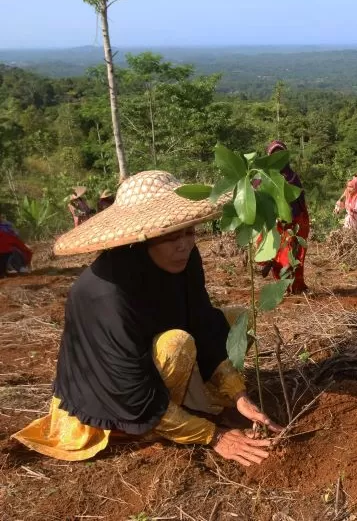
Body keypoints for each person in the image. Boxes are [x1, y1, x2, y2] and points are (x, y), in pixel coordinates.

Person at [12, 171, 283, 466]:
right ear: (144, 239)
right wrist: (214, 436)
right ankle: (149, 429)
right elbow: (131, 391)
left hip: (149, 362)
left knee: (237, 319)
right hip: (112, 397)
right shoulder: (106, 294)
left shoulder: (186, 258)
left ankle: (194, 404)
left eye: (188, 232)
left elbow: (203, 322)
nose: (184, 245)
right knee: (176, 345)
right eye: (170, 237)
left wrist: (238, 394)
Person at [254, 140, 310, 294]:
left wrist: (295, 218)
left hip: (293, 222)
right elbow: (255, 192)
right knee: (279, 255)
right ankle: (282, 287)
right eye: (274, 154)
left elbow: (299, 199)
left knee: (294, 255)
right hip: (274, 222)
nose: (278, 157)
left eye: (281, 154)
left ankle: (296, 286)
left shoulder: (292, 176)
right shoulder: (263, 175)